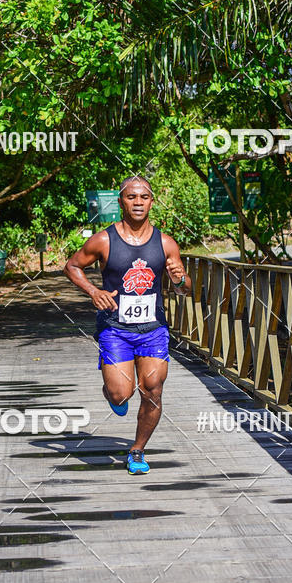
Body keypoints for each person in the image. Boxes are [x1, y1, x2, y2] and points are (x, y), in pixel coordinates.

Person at [64, 175, 192, 474]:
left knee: (153, 390)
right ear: (121, 200)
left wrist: (180, 280)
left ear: (152, 201)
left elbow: (185, 288)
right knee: (123, 393)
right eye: (131, 197)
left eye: (143, 197)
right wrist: (94, 292)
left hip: (153, 329)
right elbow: (72, 265)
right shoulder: (104, 239)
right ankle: (113, 392)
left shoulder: (165, 243)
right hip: (115, 327)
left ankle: (137, 450)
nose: (138, 202)